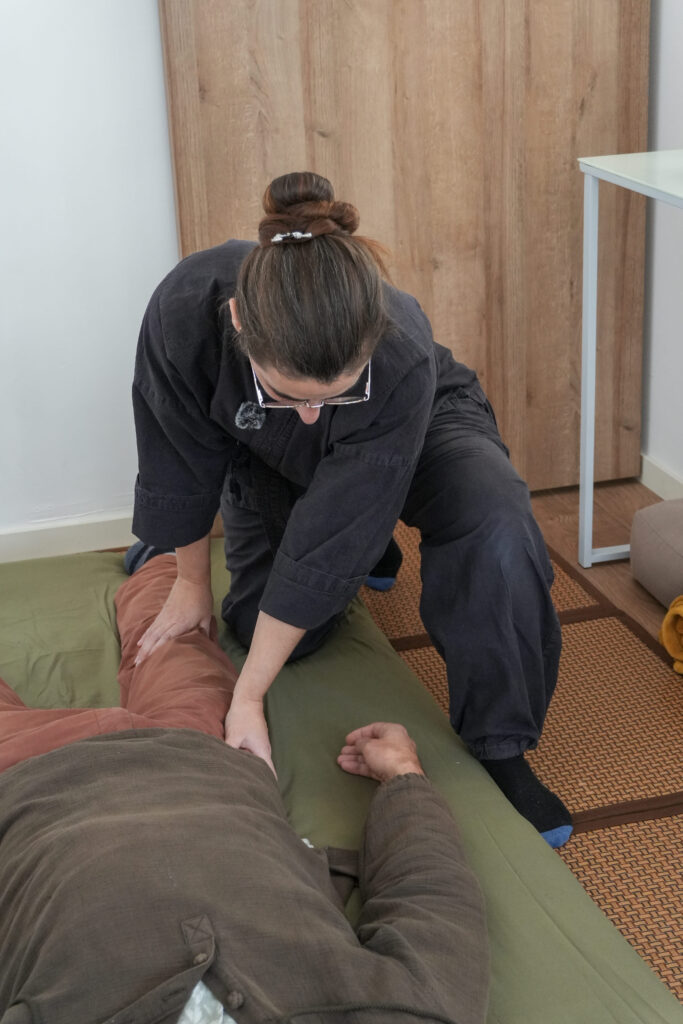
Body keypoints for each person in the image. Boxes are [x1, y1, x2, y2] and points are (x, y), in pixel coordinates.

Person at [131, 171, 571, 848]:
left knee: (496, 521)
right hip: (264, 454)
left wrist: (246, 700)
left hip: (420, 428)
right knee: (267, 629)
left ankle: (501, 744)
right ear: (240, 323)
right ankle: (373, 547)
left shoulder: (398, 345)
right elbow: (178, 452)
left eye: (336, 393)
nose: (312, 415)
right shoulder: (185, 308)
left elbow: (341, 516)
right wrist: (190, 582)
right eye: (290, 394)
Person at [0, 554, 489, 1024]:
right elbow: (431, 901)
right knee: (176, 641)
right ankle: (161, 557)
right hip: (198, 757)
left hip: (25, 781)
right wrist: (404, 775)